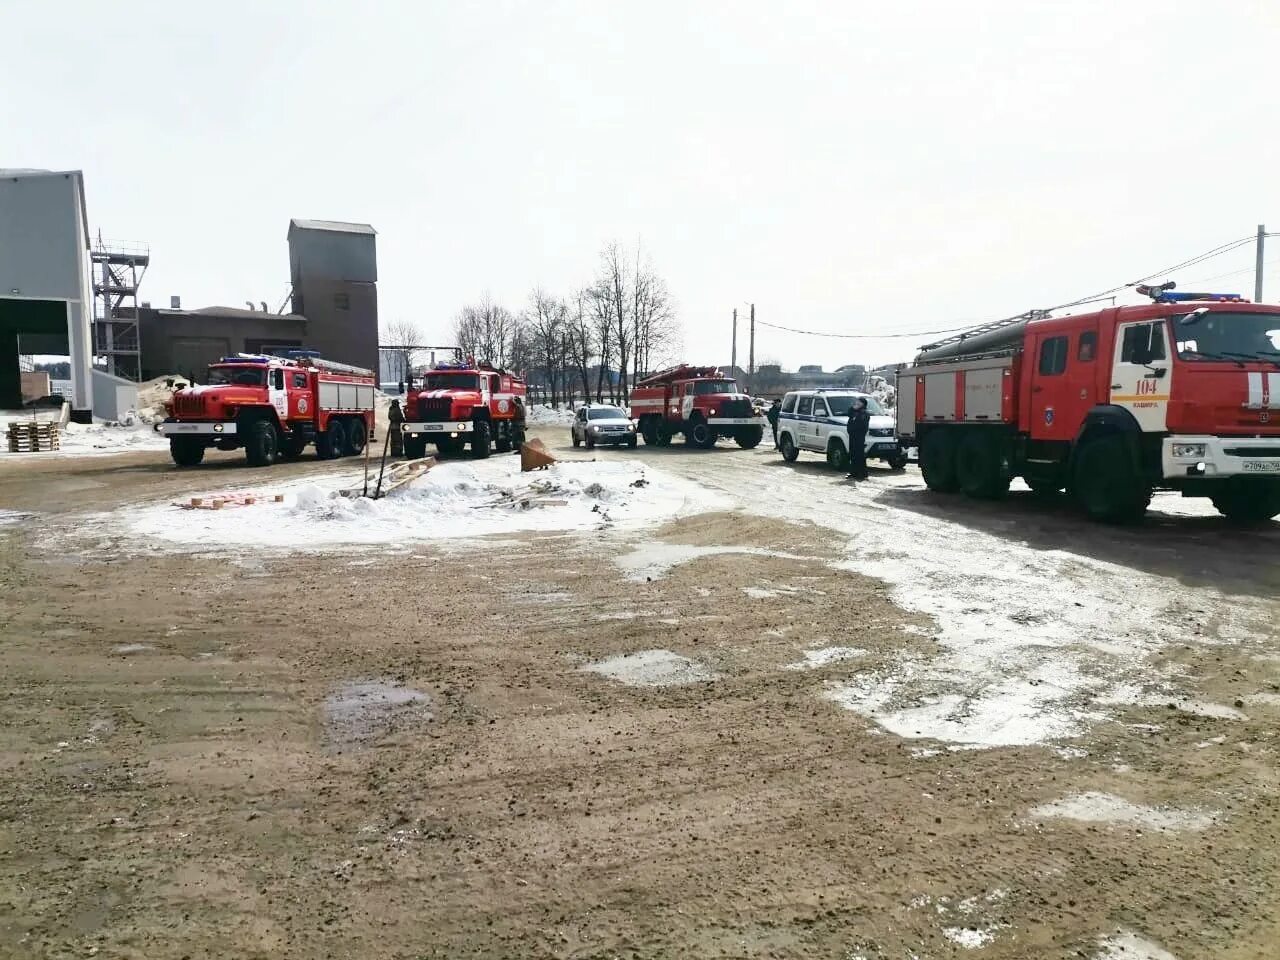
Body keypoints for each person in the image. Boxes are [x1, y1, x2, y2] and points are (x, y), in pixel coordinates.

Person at [845, 397, 870, 480]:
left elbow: (861, 424)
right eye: (857, 402)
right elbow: (849, 413)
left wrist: (854, 428)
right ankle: (853, 472)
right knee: (853, 454)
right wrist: (853, 408)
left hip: (859, 436)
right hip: (852, 436)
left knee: (859, 455)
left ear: (863, 404)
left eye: (859, 402)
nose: (857, 403)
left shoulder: (864, 413)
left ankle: (862, 473)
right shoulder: (855, 411)